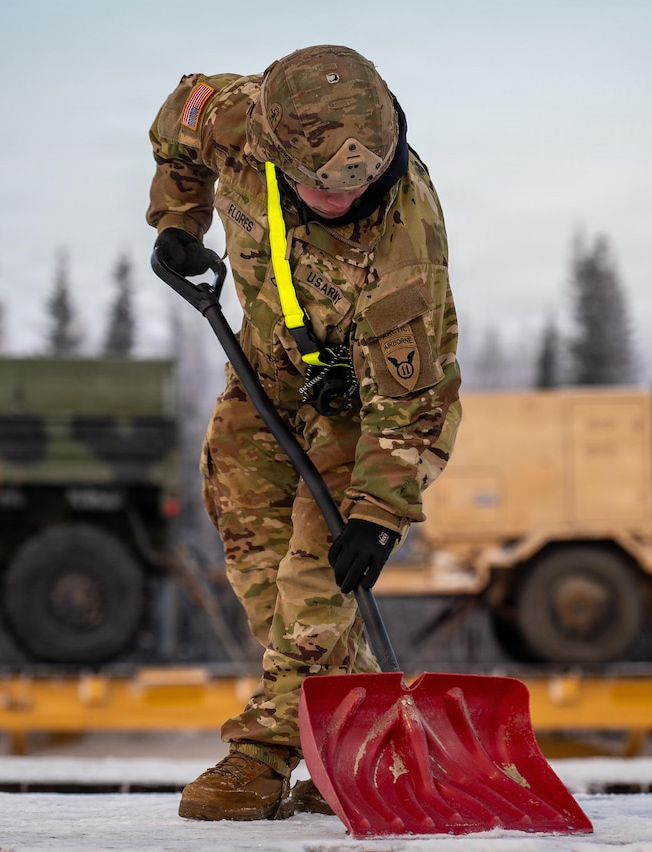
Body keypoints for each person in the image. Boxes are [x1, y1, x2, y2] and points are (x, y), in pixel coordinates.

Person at [147, 44, 461, 822]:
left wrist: (376, 519)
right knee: (250, 542)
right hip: (273, 369)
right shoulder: (232, 117)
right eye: (320, 184)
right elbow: (174, 129)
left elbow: (413, 402)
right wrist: (179, 221)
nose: (339, 198)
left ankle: (262, 756)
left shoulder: (403, 245)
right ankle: (353, 750)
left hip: (374, 407)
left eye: (355, 183)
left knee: (315, 571)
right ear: (276, 149)